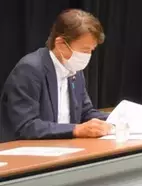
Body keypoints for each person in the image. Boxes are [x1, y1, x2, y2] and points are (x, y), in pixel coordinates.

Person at [0, 9, 112, 142]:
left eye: (91, 51)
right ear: (60, 44)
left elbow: (85, 113)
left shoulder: (75, 70)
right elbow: (26, 126)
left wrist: (117, 119)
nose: (88, 56)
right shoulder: (30, 69)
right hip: (27, 150)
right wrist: (75, 129)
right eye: (84, 50)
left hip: (65, 147)